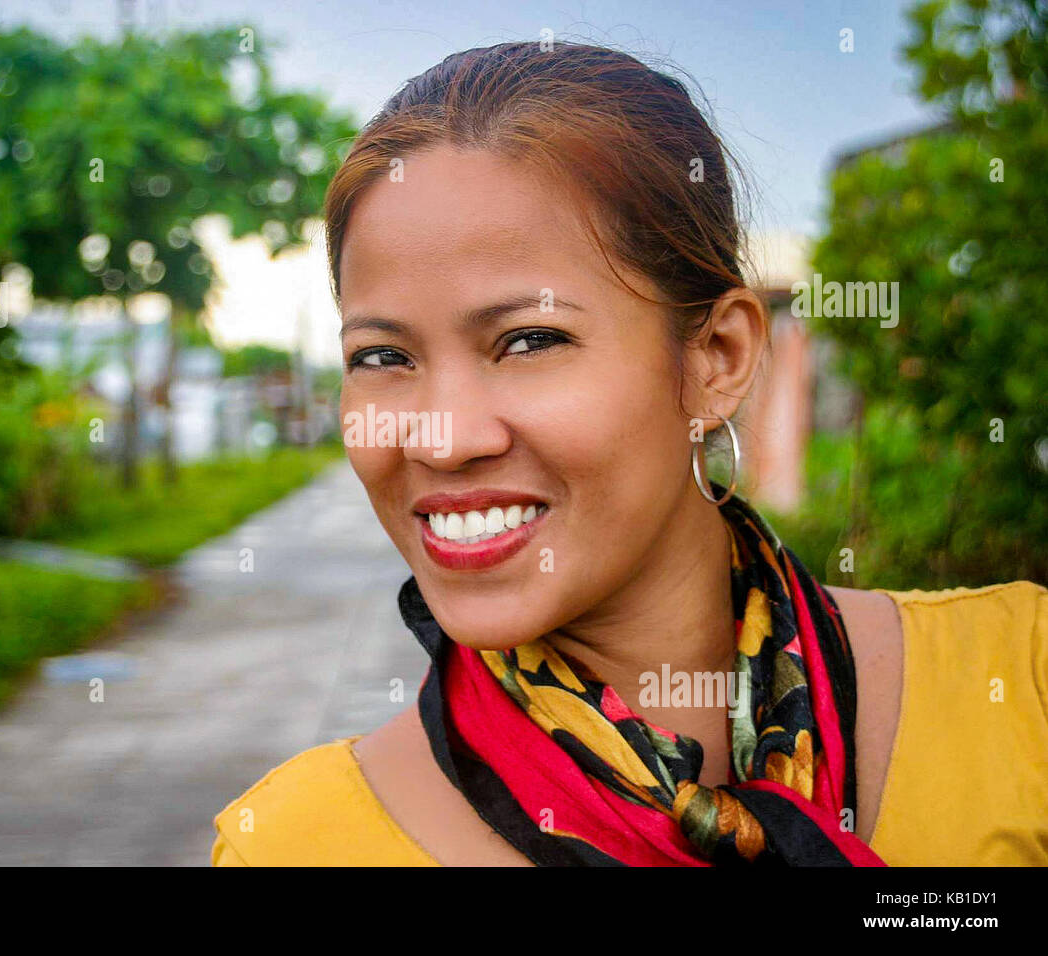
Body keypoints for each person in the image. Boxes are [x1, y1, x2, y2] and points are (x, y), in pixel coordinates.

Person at [211, 40, 1047, 866]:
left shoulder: (1020, 687)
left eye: (529, 340)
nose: (444, 437)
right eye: (384, 358)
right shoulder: (295, 843)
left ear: (716, 358)